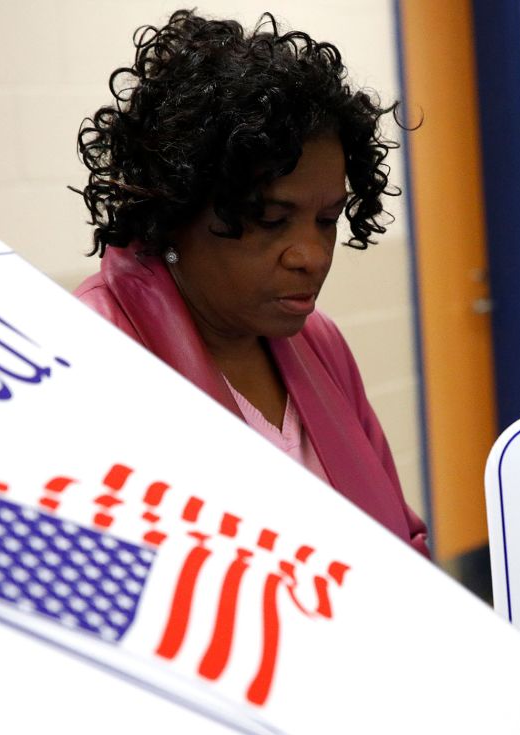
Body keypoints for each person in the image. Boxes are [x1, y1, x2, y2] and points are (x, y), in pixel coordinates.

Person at [71, 11, 428, 557]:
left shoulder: (319, 342)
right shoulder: (92, 355)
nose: (311, 256)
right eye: (270, 220)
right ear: (177, 206)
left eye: (328, 219)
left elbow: (402, 540)